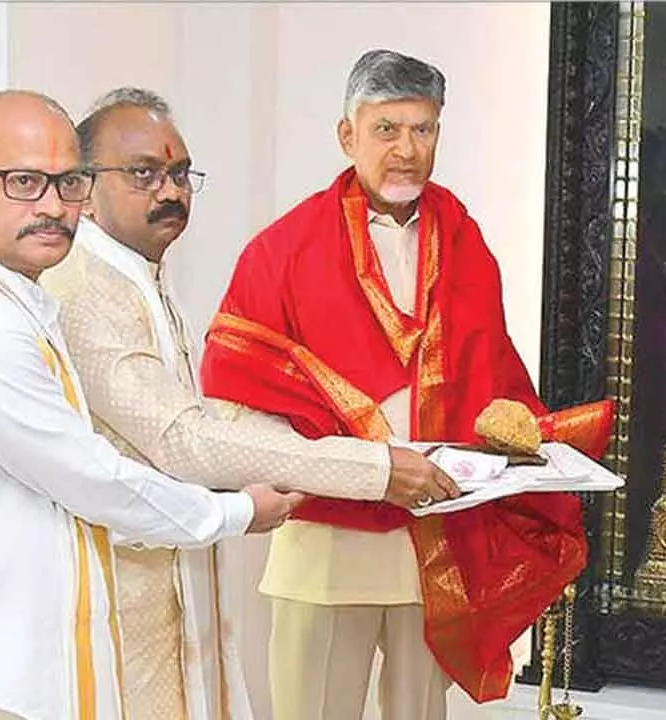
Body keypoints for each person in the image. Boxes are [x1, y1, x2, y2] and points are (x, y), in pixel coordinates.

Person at [200, 50, 608, 719]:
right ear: (347, 135)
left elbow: (493, 371)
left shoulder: (464, 237)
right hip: (329, 538)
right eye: (387, 129)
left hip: (435, 538)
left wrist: (527, 442)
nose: (406, 149)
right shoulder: (284, 248)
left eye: (423, 130)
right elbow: (236, 377)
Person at [39, 87, 458, 720]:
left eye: (180, 173)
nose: (170, 191)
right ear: (82, 190)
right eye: (143, 173)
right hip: (124, 589)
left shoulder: (138, 277)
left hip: (185, 575)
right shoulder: (85, 287)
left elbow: (213, 417)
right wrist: (373, 469)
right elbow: (181, 438)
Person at [0, 90, 300, 720]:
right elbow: (92, 477)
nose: (51, 206)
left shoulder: (24, 300)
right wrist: (233, 512)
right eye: (22, 182)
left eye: (66, 183)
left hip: (31, 660)